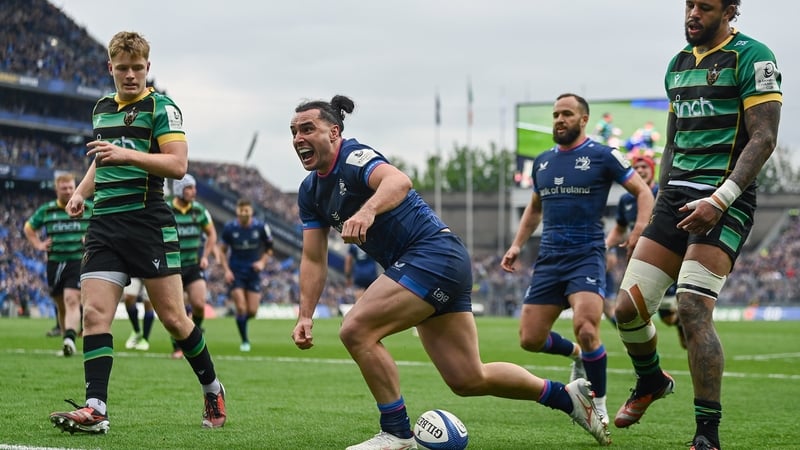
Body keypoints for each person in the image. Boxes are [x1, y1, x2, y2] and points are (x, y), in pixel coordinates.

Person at [290, 95, 611, 449]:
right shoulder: (310, 192)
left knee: (356, 330)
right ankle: (568, 398)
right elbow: (314, 259)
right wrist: (305, 314)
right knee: (468, 378)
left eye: (308, 129)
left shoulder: (353, 156)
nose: (298, 138)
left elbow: (398, 181)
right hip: (432, 265)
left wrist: (367, 211)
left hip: (431, 255)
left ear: (334, 132)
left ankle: (396, 432)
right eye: (294, 132)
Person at [611, 2, 781, 449]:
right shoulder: (678, 64)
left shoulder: (754, 57)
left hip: (727, 197)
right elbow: (673, 141)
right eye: (689, 4)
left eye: (704, 7)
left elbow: (764, 138)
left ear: (729, 11)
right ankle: (651, 380)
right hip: (675, 197)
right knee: (627, 310)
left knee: (690, 307)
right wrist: (660, 200)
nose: (692, 14)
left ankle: (707, 434)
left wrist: (719, 199)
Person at [49, 31, 226, 434]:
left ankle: (212, 388)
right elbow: (102, 159)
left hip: (148, 223)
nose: (130, 75)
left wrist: (126, 154)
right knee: (95, 314)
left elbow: (178, 165)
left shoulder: (161, 107)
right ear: (110, 68)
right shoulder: (101, 109)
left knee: (174, 319)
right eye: (123, 68)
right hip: (104, 225)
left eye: (137, 68)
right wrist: (80, 192)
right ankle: (96, 408)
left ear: (148, 67)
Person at [501, 93, 654, 426]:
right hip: (549, 259)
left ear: (583, 119)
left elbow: (643, 192)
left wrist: (640, 229)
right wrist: (516, 245)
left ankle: (596, 403)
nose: (560, 119)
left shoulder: (603, 155)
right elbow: (535, 209)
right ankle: (577, 355)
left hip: (586, 255)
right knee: (530, 339)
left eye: (567, 114)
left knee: (586, 327)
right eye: (556, 114)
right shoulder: (542, 161)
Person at [604, 154, 685, 347]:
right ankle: (643, 349)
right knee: (633, 308)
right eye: (636, 168)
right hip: (638, 260)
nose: (640, 171)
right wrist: (606, 245)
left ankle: (681, 322)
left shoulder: (663, 194)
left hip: (663, 258)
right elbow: (620, 229)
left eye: (644, 167)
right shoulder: (626, 200)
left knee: (667, 315)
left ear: (652, 170)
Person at [24, 172, 92, 357]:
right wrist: (38, 244)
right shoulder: (47, 210)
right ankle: (67, 340)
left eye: (71, 187)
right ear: (57, 189)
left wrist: (91, 237)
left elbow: (104, 223)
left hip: (78, 260)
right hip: (54, 262)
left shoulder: (88, 207)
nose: (68, 191)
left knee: (72, 299)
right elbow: (29, 228)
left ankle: (70, 339)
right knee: (61, 304)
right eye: (64, 188)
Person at [168, 174, 219, 359]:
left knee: (198, 304)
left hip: (193, 265)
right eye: (189, 188)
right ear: (179, 190)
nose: (194, 192)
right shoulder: (167, 209)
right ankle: (177, 346)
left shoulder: (199, 210)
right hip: (172, 267)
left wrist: (205, 256)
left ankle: (194, 336)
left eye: (194, 188)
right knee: (176, 311)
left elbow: (212, 234)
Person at [218, 198, 273, 352]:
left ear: (251, 211)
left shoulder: (261, 227)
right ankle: (245, 341)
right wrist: (226, 271)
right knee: (241, 308)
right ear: (237, 211)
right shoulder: (229, 228)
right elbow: (222, 252)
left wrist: (262, 262)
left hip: (253, 272)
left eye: (246, 210)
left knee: (252, 311)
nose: (244, 213)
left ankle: (240, 320)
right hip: (236, 273)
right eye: (241, 210)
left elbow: (269, 249)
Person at [121, 277, 155, 351]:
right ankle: (137, 331)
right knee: (128, 297)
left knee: (148, 303)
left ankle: (145, 339)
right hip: (134, 273)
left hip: (150, 273)